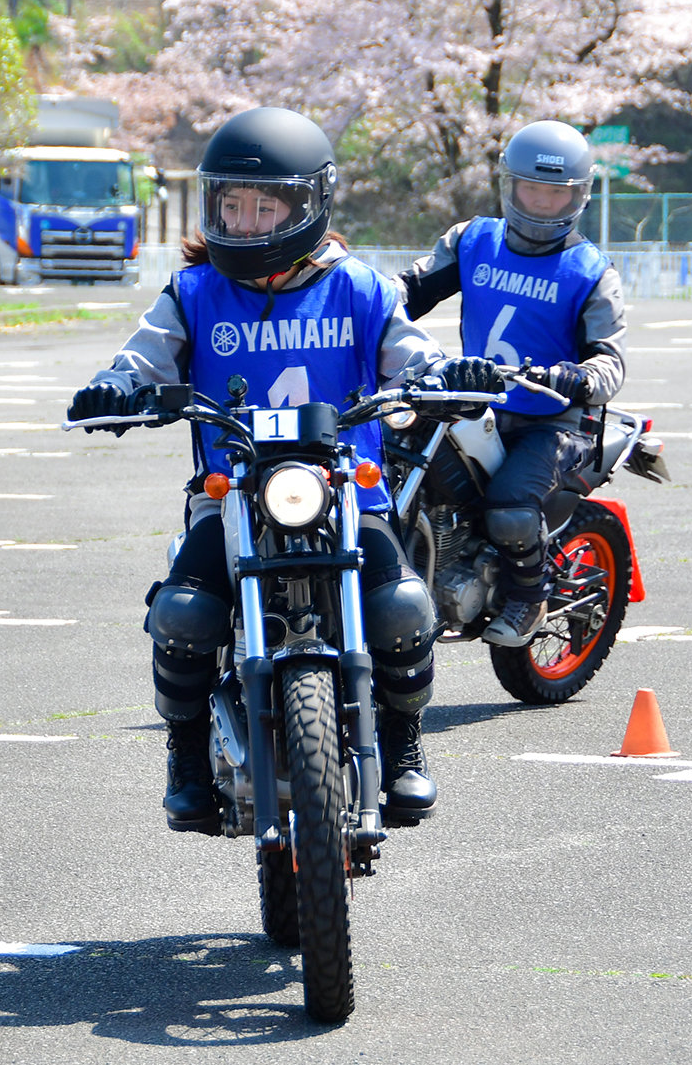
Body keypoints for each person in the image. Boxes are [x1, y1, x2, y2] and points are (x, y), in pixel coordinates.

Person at [67, 107, 496, 829]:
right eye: (232, 204)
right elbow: (144, 354)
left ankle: (403, 741)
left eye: (266, 206)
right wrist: (118, 384)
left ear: (308, 204)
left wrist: (449, 375)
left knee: (400, 605)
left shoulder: (358, 286)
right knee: (184, 611)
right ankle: (185, 750)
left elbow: (413, 355)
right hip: (232, 491)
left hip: (342, 488)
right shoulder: (194, 291)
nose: (247, 220)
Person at [397, 119, 628, 647]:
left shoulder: (590, 271)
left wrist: (579, 378)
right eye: (532, 189)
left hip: (551, 418)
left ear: (578, 196)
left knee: (508, 509)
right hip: (472, 398)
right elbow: (405, 292)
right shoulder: (471, 240)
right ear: (509, 185)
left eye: (556, 193)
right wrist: (357, 305)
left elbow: (610, 360)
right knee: (393, 454)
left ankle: (529, 595)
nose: (542, 202)